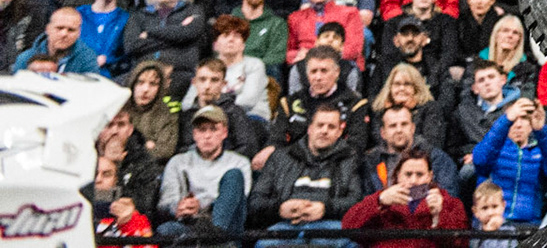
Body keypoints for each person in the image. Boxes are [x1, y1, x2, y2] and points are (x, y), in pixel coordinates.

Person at [249, 101, 363, 242]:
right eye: (320, 125)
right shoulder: (280, 157)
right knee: (266, 244)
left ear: (339, 132)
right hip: (285, 226)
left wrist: (325, 209)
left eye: (331, 127)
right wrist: (280, 208)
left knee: (348, 242)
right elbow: (255, 202)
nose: (324, 131)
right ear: (309, 128)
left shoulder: (349, 159)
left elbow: (356, 203)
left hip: (329, 227)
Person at [340, 147, 466, 248]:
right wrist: (379, 201)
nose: (413, 180)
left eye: (420, 174)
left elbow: (460, 243)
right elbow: (348, 227)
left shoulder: (448, 202)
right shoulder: (383, 199)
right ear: (398, 175)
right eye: (408, 174)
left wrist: (439, 216)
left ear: (430, 176)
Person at [158, 107, 251, 238]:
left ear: (224, 132)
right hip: (190, 225)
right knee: (166, 229)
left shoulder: (239, 162)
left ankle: (214, 235)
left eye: (213, 129)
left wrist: (202, 206)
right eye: (202, 130)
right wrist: (179, 207)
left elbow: (239, 201)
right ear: (194, 134)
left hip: (227, 228)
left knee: (234, 175)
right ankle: (208, 239)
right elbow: (166, 202)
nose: (207, 136)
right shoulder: (178, 162)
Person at [471, 97, 547, 224]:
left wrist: (541, 130)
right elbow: (480, 160)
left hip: (528, 224)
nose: (518, 125)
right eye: (514, 119)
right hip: (492, 222)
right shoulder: (495, 147)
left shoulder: (540, 150)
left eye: (524, 119)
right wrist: (505, 121)